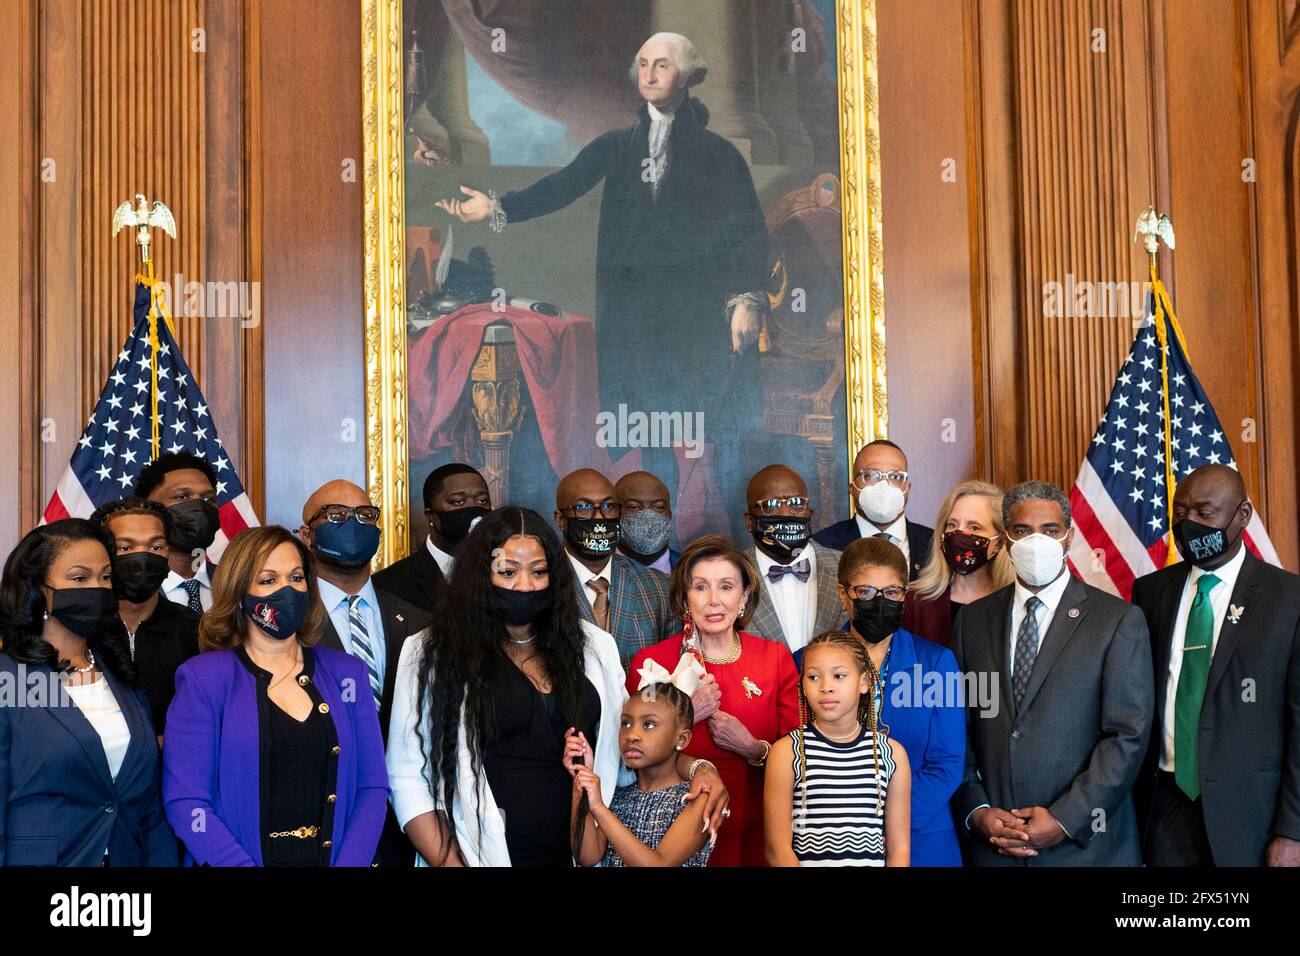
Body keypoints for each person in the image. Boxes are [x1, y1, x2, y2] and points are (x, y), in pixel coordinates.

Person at [437, 33, 769, 511]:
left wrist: (745, 301)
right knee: (653, 435)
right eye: (643, 64)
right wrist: (495, 206)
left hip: (696, 319)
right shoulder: (617, 146)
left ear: (688, 76)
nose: (649, 74)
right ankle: (658, 548)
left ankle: (726, 543)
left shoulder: (720, 154)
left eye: (662, 65)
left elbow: (746, 230)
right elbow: (563, 185)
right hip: (637, 320)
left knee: (717, 429)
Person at [385, 507, 729, 867]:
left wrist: (699, 768)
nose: (524, 585)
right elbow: (407, 777)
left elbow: (632, 744)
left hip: (584, 853)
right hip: (478, 855)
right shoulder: (431, 652)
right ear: (480, 575)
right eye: (507, 571)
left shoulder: (594, 646)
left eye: (538, 572)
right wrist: (452, 864)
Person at [953, 480, 1153, 865]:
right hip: (996, 847)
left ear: (1069, 537)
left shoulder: (1117, 620)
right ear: (1005, 539)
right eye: (1022, 531)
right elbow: (959, 727)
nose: (1036, 541)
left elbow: (1128, 735)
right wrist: (976, 810)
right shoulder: (972, 622)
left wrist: (1065, 818)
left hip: (1086, 849)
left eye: (1049, 531)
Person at [163, 525, 389, 866]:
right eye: (268, 580)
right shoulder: (203, 680)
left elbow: (371, 789)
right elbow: (188, 803)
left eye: (296, 578)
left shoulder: (348, 674)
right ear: (240, 593)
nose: (288, 590)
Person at [1131, 463, 1300, 867]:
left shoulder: (1288, 598)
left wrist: (1292, 830)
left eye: (1204, 514)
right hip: (1163, 809)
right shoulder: (1150, 591)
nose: (1189, 524)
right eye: (1180, 513)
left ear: (1242, 515)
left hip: (1253, 817)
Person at [0, 519, 175, 866]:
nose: (97, 588)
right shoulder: (11, 679)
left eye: (105, 577)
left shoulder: (120, 671)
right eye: (80, 578)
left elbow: (148, 805)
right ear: (39, 588)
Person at [627, 535, 799, 866]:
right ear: (684, 597)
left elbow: (800, 755)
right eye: (701, 587)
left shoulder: (774, 658)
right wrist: (685, 715)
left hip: (760, 828)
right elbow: (631, 755)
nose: (714, 600)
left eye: (726, 586)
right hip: (675, 836)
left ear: (745, 595)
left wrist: (753, 748)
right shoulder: (652, 662)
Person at [298, 479, 432, 866]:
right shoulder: (291, 623)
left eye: (365, 515)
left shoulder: (420, 623)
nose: (353, 524)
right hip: (324, 813)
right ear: (307, 533)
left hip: (410, 819)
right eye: (337, 515)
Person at [830, 537, 964, 866]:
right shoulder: (806, 663)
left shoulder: (937, 663)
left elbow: (947, 763)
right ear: (843, 594)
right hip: (834, 840)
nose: (880, 602)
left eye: (891, 593)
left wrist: (889, 825)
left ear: (904, 595)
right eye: (865, 592)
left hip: (923, 841)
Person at [765, 630, 911, 867]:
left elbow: (899, 848)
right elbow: (777, 849)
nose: (826, 687)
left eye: (839, 676)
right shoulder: (787, 752)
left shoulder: (891, 754)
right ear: (802, 684)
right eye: (813, 677)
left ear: (864, 683)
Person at [566, 682, 712, 867]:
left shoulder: (695, 799)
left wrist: (600, 809)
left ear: (681, 739)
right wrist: (581, 787)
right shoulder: (620, 795)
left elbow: (658, 865)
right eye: (626, 723)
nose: (631, 735)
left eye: (649, 724)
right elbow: (587, 857)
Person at [90, 497, 200, 737]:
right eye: (126, 548)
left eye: (155, 547)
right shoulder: (82, 632)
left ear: (167, 552)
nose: (142, 558)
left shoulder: (197, 631)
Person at [554, 468, 674, 668]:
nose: (599, 517)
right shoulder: (541, 582)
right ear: (560, 520)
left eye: (608, 506)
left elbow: (673, 672)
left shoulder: (660, 587)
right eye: (584, 507)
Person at [743, 464, 847, 655]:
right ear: (749, 521)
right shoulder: (731, 575)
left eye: (797, 503)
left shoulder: (846, 568)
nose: (786, 513)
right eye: (770, 505)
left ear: (810, 514)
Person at [904, 481, 1015, 648]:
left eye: (974, 527)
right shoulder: (916, 601)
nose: (959, 534)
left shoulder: (1013, 603)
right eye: (952, 525)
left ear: (999, 542)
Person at [373, 463, 491, 613]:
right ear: (430, 516)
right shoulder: (387, 584)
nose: (473, 508)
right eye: (458, 501)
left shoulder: (505, 572)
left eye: (482, 501)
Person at [814, 440, 934, 581]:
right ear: (852, 488)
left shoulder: (935, 544)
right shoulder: (821, 545)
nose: (883, 486)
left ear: (908, 489)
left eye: (895, 477)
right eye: (870, 476)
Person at [135, 452, 221, 612]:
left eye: (209, 499)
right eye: (183, 497)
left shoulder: (238, 586)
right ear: (147, 508)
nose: (199, 506)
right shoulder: (128, 591)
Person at [615, 470, 679, 573]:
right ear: (614, 513)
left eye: (659, 507)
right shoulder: (596, 570)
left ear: (670, 515)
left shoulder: (691, 568)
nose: (648, 516)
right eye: (633, 507)